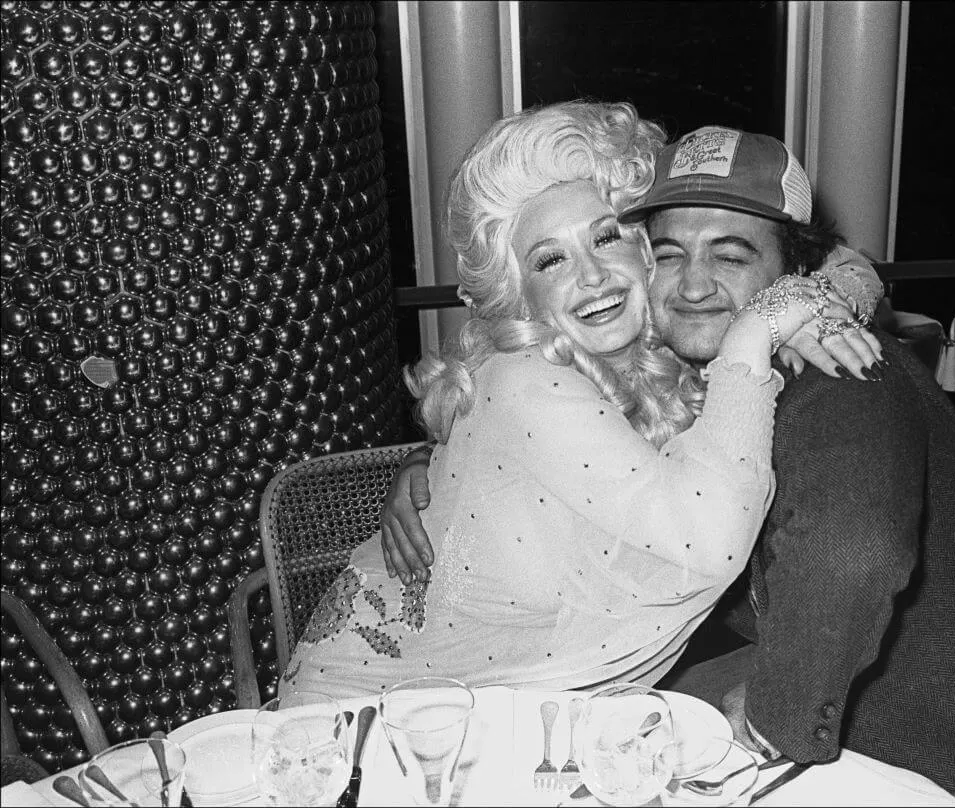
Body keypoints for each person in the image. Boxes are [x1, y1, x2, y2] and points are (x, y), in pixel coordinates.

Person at [382, 125, 955, 806]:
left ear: (793, 278)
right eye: (667, 254)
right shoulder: (700, 381)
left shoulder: (840, 369)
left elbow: (850, 547)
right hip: (897, 705)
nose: (694, 284)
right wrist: (440, 464)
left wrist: (778, 713)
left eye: (732, 255)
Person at [281, 102, 883, 699]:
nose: (592, 276)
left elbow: (850, 262)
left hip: (526, 708)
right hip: (379, 716)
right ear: (519, 294)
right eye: (551, 260)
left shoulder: (663, 348)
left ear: (646, 252)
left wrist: (811, 293)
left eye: (606, 237)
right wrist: (761, 323)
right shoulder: (524, 380)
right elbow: (708, 538)